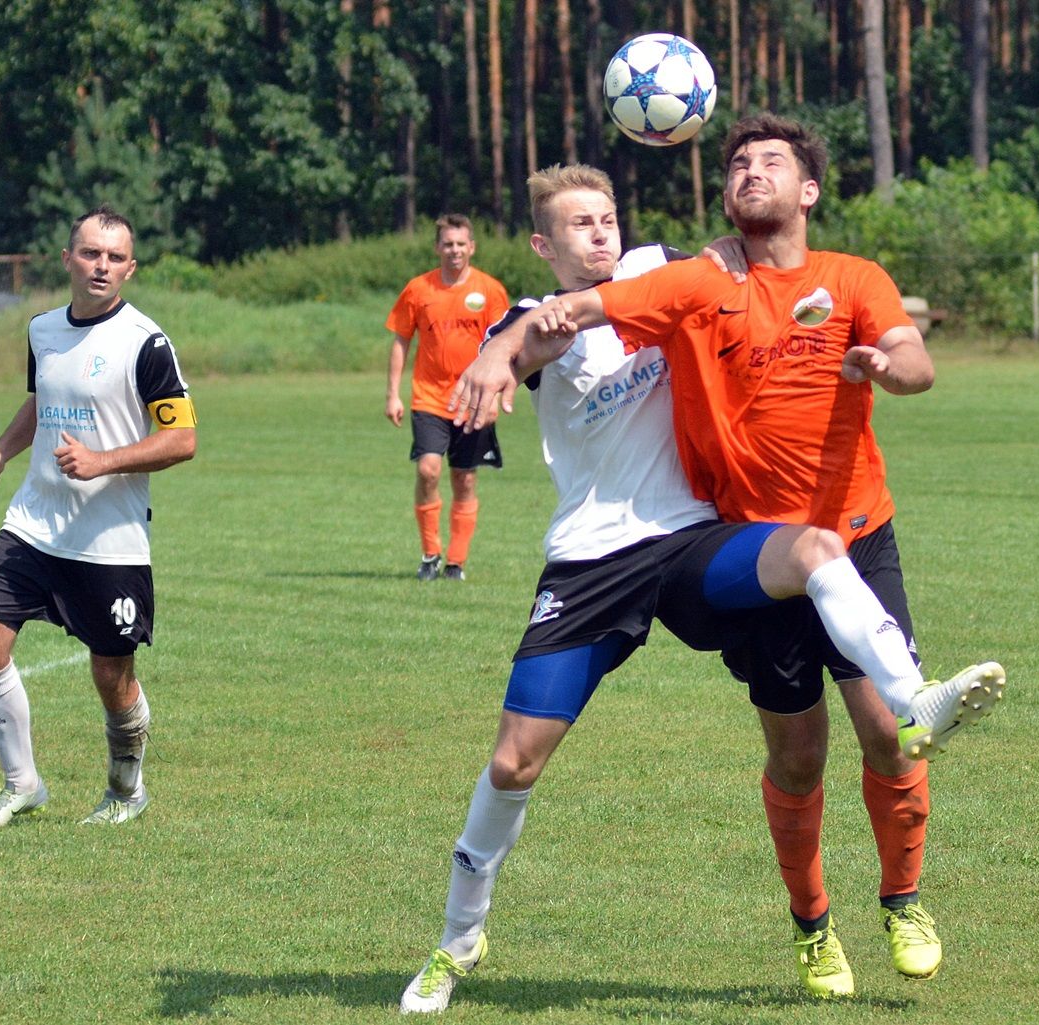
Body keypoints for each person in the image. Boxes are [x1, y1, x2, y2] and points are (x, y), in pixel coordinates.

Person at [400, 160, 1003, 1012]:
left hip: (693, 542)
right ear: (543, 242)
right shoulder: (536, 315)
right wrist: (500, 353)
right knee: (512, 761)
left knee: (813, 549)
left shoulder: (665, 271)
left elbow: (737, 274)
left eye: (608, 217)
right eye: (579, 224)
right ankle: (458, 941)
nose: (601, 233)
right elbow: (533, 334)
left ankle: (916, 698)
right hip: (592, 563)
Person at [0, 204, 197, 828]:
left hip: (108, 537)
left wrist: (103, 462)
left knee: (111, 672)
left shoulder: (145, 343)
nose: (102, 265)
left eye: (115, 257)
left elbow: (183, 439)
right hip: (34, 521)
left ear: (130, 269)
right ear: (68, 258)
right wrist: (1, 451)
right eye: (91, 253)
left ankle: (126, 789)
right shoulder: (42, 329)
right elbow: (42, 402)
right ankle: (22, 785)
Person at [385, 214, 510, 581]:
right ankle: (429, 554)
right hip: (429, 398)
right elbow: (401, 340)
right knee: (428, 469)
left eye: (461, 244)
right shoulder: (418, 290)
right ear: (437, 247)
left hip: (474, 399)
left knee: (465, 478)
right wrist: (393, 394)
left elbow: (504, 345)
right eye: (448, 244)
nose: (454, 250)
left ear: (471, 247)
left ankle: (455, 562)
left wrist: (494, 397)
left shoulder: (490, 290)